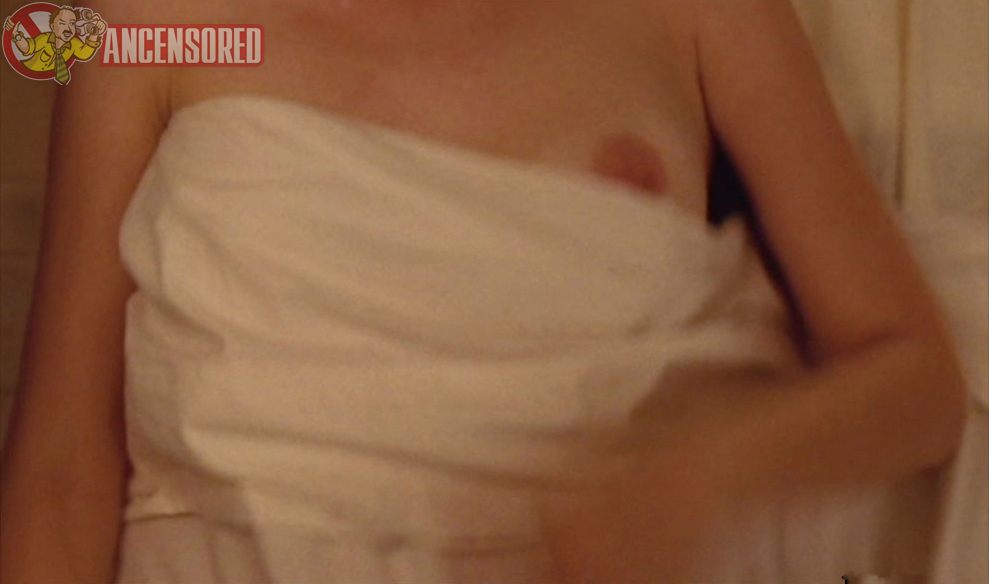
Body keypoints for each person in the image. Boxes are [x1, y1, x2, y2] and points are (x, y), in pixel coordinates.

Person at [0, 0, 967, 582]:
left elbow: (913, 378)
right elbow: (60, 466)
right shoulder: (154, 26)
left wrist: (701, 483)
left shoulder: (695, 10)